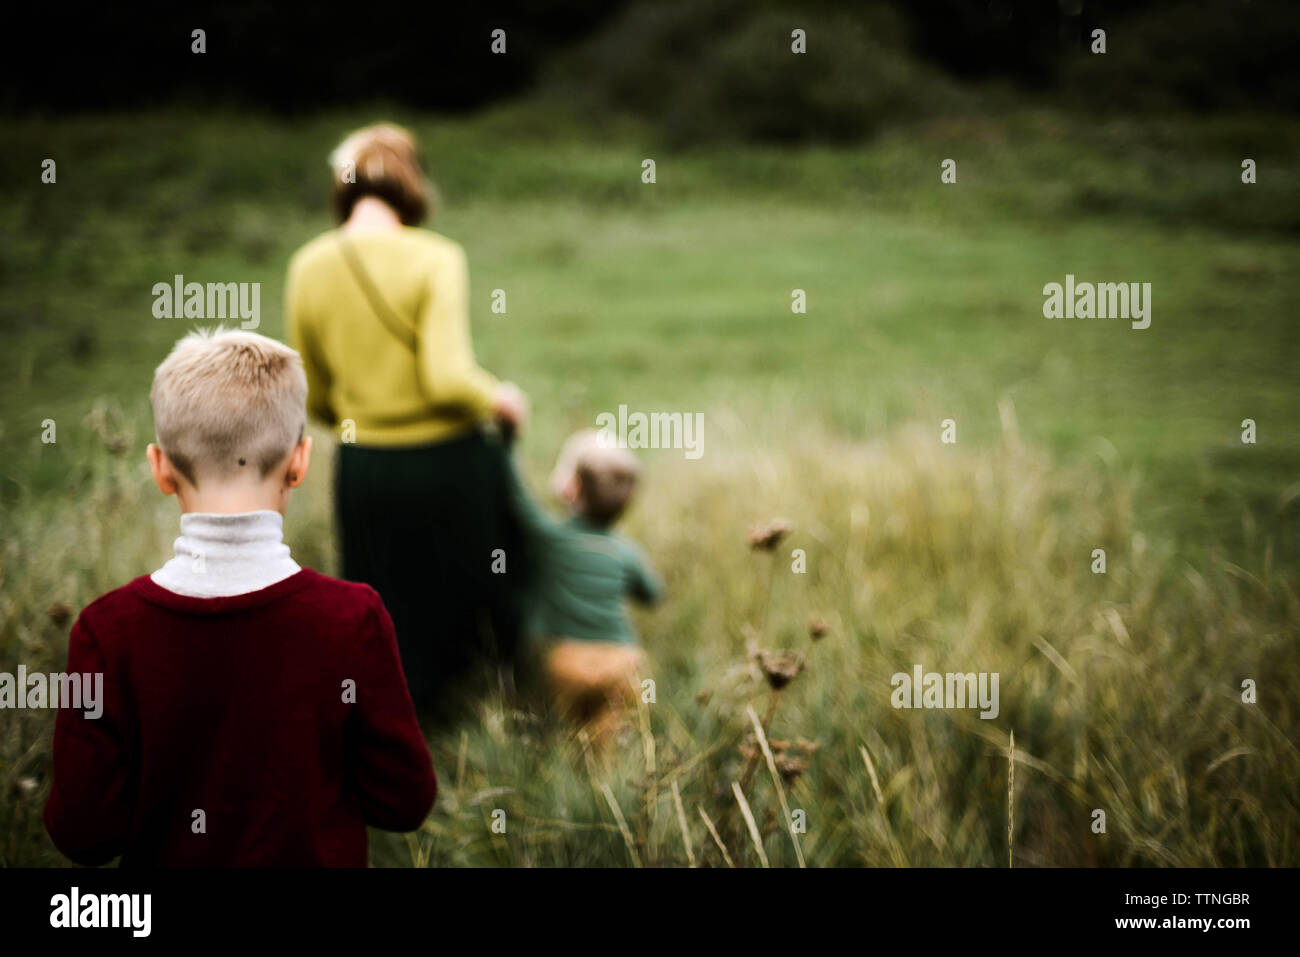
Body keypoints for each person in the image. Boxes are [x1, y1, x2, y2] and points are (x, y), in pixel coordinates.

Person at [43, 329, 436, 867]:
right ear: (299, 461)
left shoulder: (107, 632)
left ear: (160, 468)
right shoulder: (352, 619)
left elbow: (83, 834)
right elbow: (404, 801)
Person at [285, 123, 529, 718]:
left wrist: (365, 410)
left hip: (364, 466)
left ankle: (401, 726)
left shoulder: (308, 263)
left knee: (384, 609)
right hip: (450, 462)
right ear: (412, 183)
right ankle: (493, 716)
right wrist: (500, 398)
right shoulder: (437, 256)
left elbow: (312, 396)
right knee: (480, 594)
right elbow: (446, 377)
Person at [509, 430, 664, 745]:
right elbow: (653, 594)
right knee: (606, 740)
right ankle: (603, 785)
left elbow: (517, 498)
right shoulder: (626, 550)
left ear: (571, 488)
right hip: (622, 662)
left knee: (564, 735)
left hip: (569, 662)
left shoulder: (551, 538)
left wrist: (506, 440)